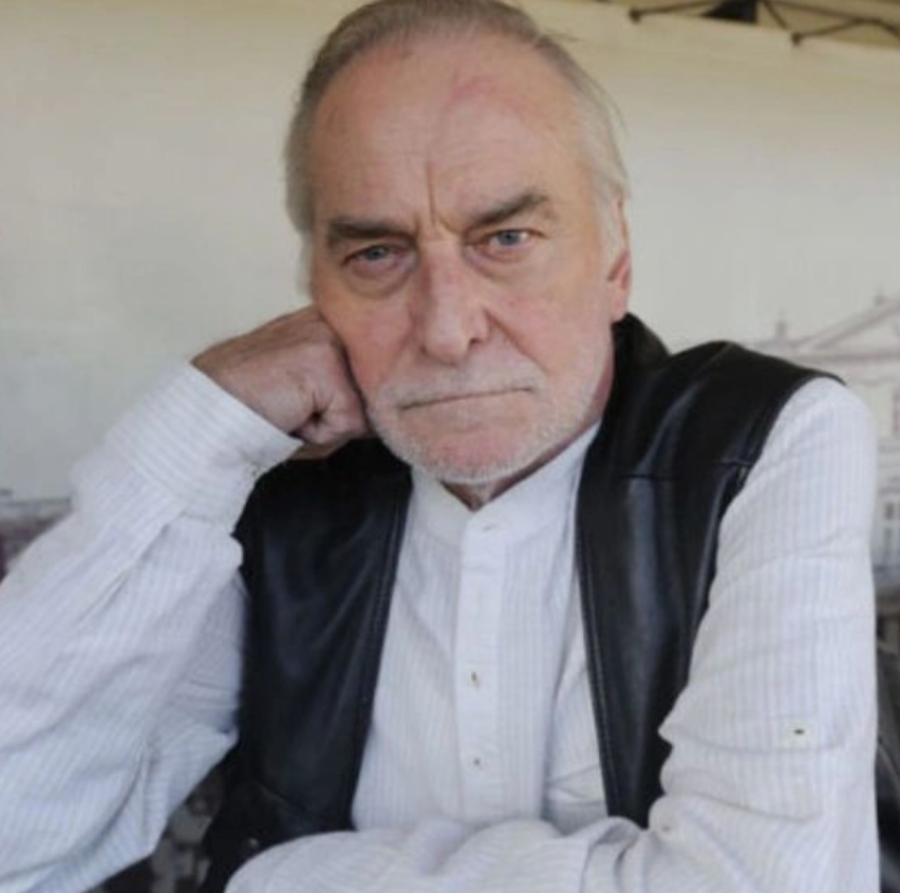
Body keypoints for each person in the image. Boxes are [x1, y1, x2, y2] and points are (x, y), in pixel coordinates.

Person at [0, 1, 879, 891]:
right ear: (315, 285)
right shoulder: (274, 495)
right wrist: (202, 421)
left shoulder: (758, 442)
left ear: (615, 261)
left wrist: (275, 878)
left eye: (506, 238)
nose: (448, 329)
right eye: (378, 254)